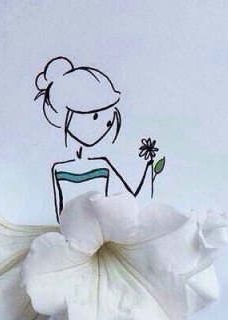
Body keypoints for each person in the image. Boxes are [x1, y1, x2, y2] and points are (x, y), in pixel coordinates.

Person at [35, 57, 154, 222]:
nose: (107, 123)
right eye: (95, 115)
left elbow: (128, 202)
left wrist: (149, 170)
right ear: (63, 115)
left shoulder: (101, 165)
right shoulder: (66, 168)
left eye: (109, 116)